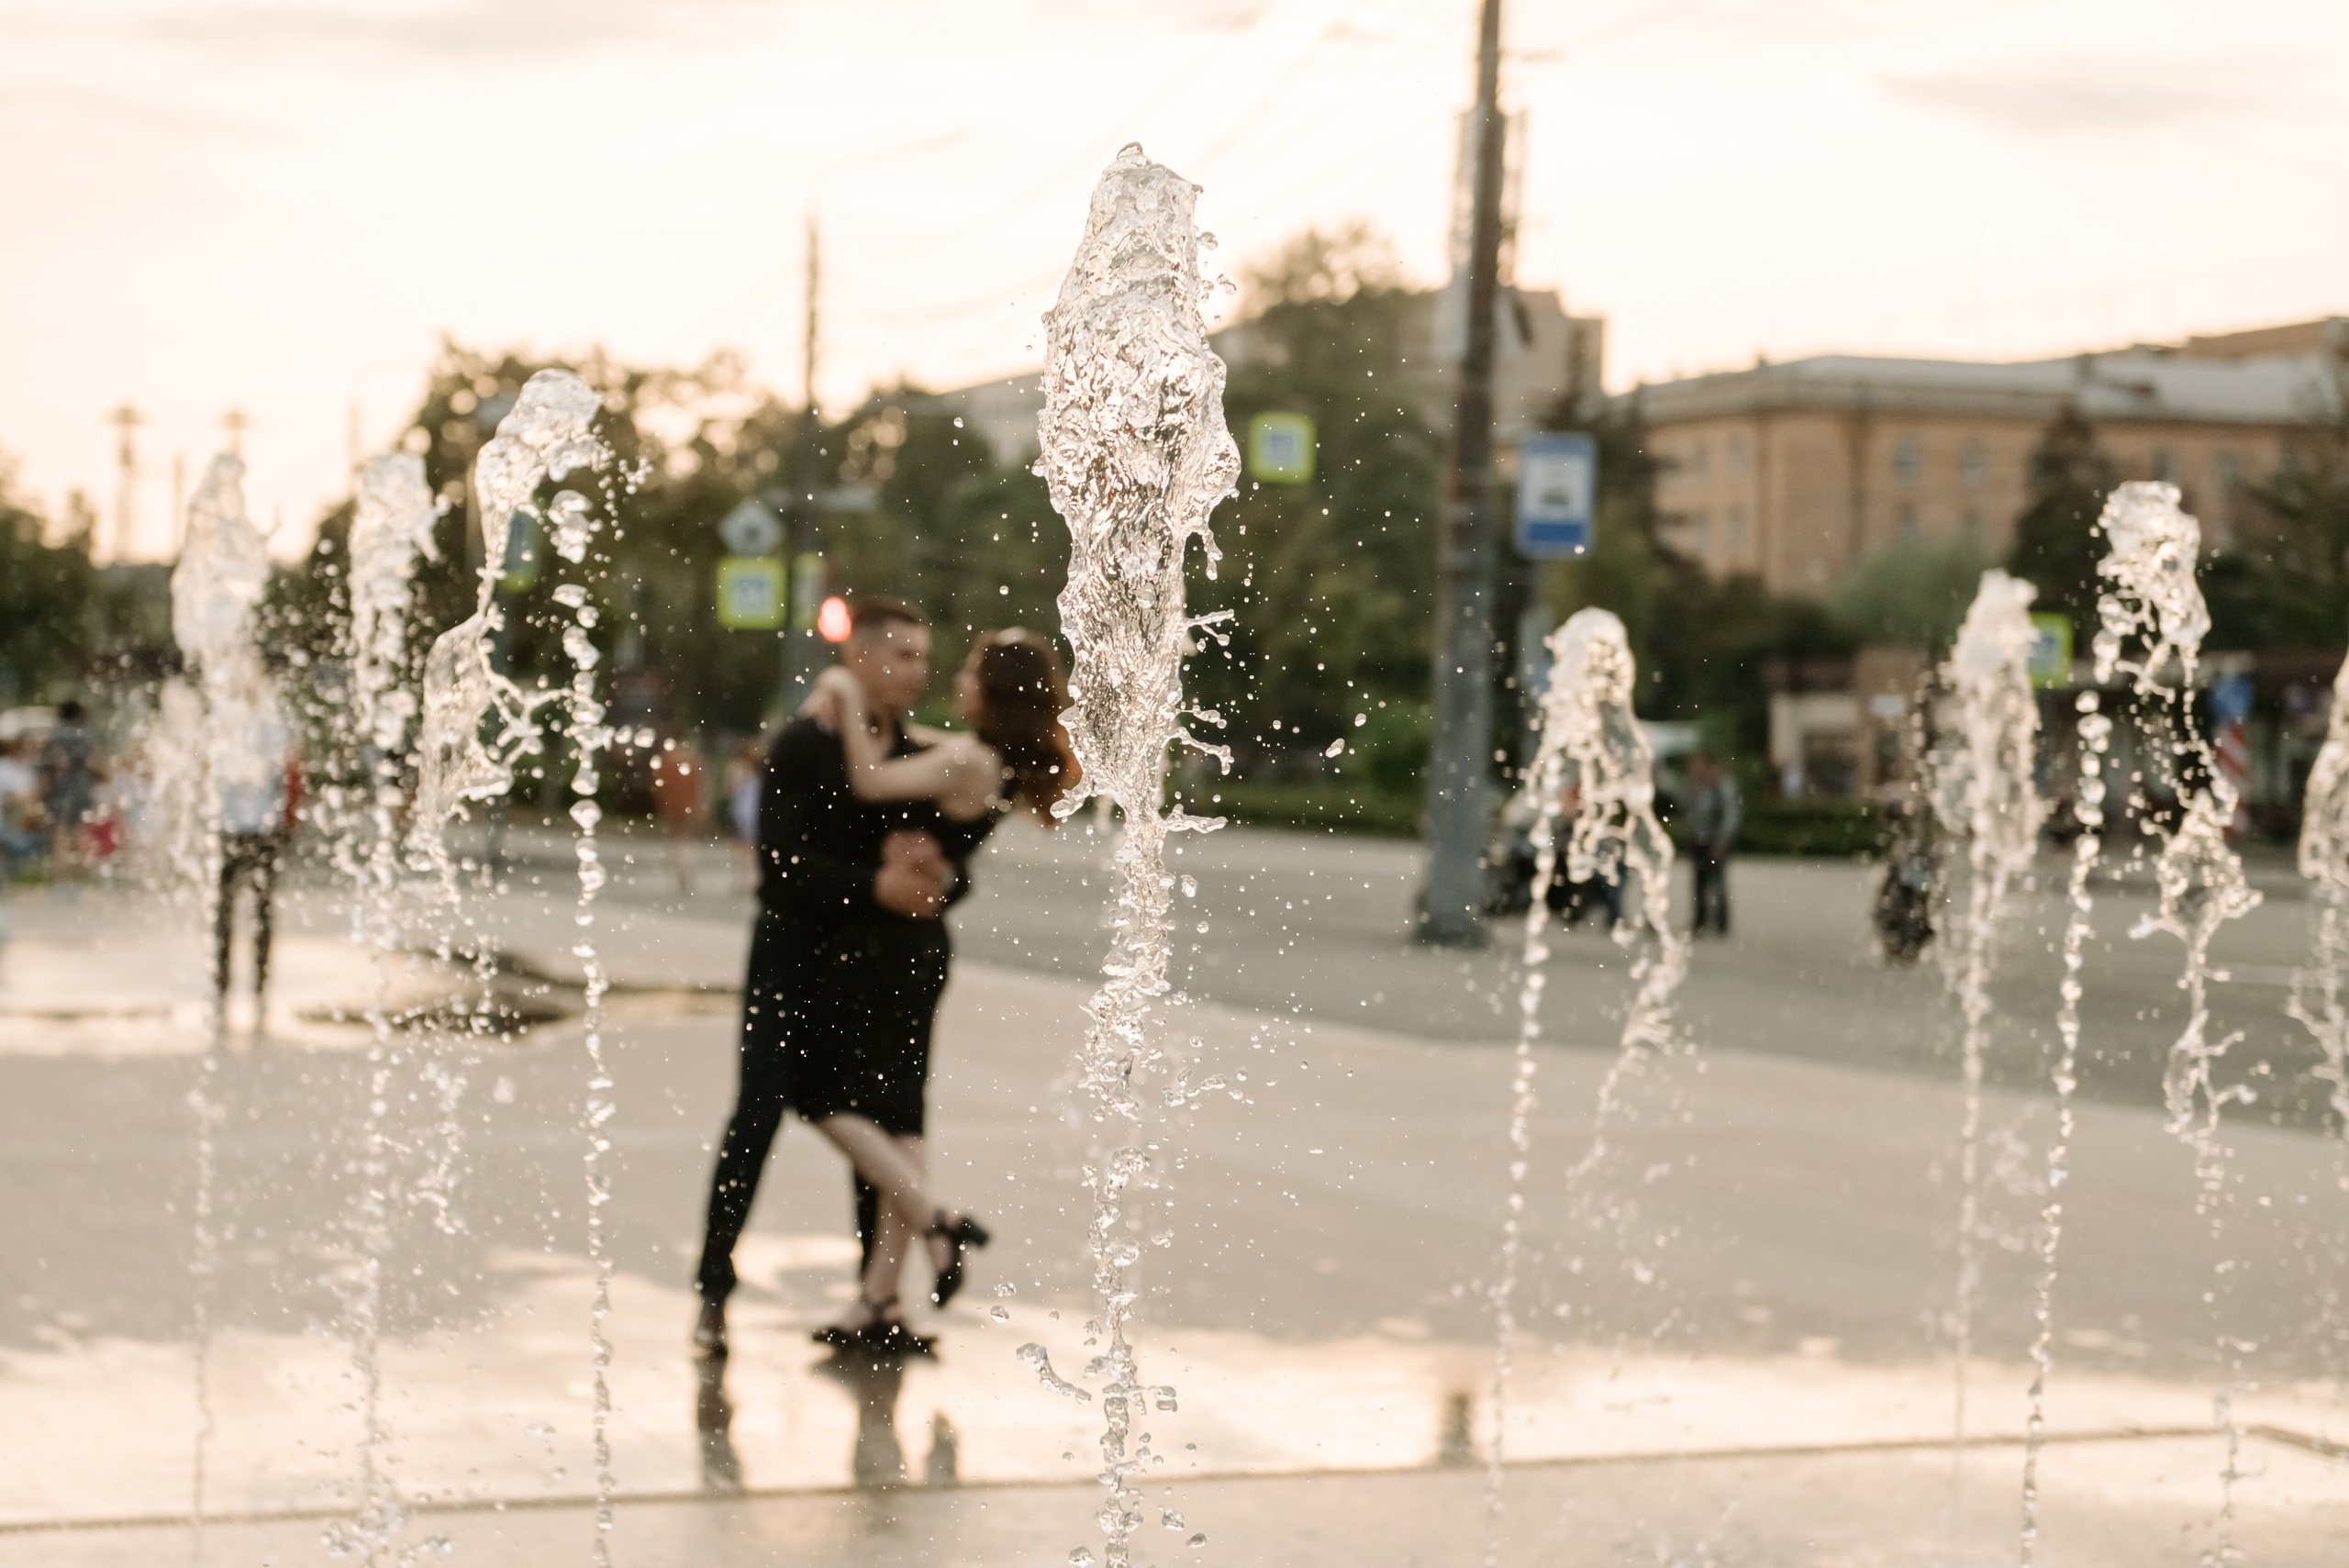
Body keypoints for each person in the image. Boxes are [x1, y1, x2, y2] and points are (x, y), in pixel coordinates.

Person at [693, 597, 963, 1356]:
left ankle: (875, 1300)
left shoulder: (910, 752)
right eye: (905, 654)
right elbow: (778, 863)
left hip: (873, 972)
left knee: (878, 1129)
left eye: (923, 655)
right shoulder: (805, 743)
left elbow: (949, 860)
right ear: (862, 659)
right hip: (789, 961)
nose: (919, 670)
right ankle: (713, 1292)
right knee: (756, 1120)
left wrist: (938, 880)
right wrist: (871, 886)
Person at [796, 628, 1074, 1344]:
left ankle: (935, 1219)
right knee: (900, 1119)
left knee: (819, 1091)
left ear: (994, 688)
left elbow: (871, 780)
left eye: (973, 667)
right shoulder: (985, 760)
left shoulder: (969, 759)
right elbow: (914, 754)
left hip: (895, 950)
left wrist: (852, 690)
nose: (958, 675)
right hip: (918, 947)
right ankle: (880, 1301)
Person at [214, 675, 298, 1006]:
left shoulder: (224, 723)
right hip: (262, 827)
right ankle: (257, 982)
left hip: (235, 827)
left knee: (227, 907)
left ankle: (226, 981)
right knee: (260, 907)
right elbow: (289, 765)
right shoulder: (270, 723)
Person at [1685, 749, 1741, 937]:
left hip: (1715, 841)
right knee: (1699, 883)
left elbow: (1730, 815)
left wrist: (1722, 840)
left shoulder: (1721, 784)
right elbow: (1688, 810)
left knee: (1717, 883)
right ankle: (1700, 921)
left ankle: (1721, 923)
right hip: (1699, 840)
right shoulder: (1697, 785)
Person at [39, 700, 96, 877]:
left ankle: (62, 880)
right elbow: (91, 760)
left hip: (60, 791)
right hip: (79, 789)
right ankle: (81, 877)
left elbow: (48, 765)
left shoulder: (56, 734)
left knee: (60, 834)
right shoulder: (82, 733)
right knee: (79, 832)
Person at [652, 733, 707, 897]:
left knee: (674, 841)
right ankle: (685, 871)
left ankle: (676, 874)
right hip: (689, 806)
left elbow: (658, 784)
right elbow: (699, 787)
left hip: (671, 806)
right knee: (686, 840)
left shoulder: (667, 759)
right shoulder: (692, 759)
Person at [724, 738, 763, 895]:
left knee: (739, 848)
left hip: (740, 810)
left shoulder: (734, 768)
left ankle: (741, 878)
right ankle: (754, 878)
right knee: (754, 847)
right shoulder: (758, 769)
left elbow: (728, 791)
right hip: (755, 811)